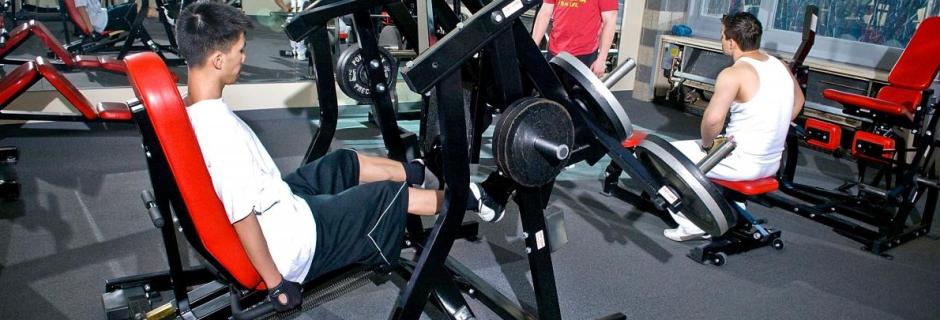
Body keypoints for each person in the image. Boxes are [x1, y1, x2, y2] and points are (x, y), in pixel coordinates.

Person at [175, 2, 505, 312]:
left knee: (343, 162)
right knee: (386, 196)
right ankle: (474, 200)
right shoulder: (219, 132)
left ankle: (419, 173)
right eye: (239, 51)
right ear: (217, 60)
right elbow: (241, 216)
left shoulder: (195, 110)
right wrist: (276, 285)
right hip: (293, 243)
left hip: (281, 205)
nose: (244, 58)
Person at [663, 12, 804, 241]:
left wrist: (709, 148)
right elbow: (798, 102)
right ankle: (731, 205)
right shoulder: (780, 66)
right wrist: (774, 125)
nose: (720, 40)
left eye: (721, 36)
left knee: (664, 157)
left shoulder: (733, 74)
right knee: (694, 150)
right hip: (771, 163)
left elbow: (712, 121)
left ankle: (691, 223)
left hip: (739, 164)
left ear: (731, 41)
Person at [530, 0, 618, 77]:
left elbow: (610, 21)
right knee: (552, 92)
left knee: (578, 94)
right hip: (555, 50)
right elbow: (545, 12)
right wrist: (532, 48)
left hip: (584, 55)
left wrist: (602, 59)